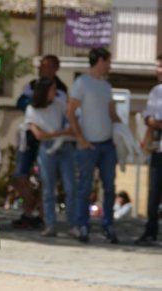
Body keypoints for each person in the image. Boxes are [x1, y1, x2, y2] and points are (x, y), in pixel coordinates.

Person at [68, 47, 121, 243]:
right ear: (100, 60)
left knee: (110, 187)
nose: (110, 65)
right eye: (108, 61)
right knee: (84, 187)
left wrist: (125, 135)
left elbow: (112, 113)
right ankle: (82, 225)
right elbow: (71, 112)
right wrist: (80, 138)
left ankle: (108, 226)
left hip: (107, 145)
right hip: (87, 146)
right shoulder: (82, 83)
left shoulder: (106, 86)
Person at [12, 54, 68, 229]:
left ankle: (42, 215)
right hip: (30, 136)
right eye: (41, 66)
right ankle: (29, 210)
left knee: (46, 178)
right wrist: (38, 99)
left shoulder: (62, 90)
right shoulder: (32, 85)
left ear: (55, 68)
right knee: (20, 176)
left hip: (51, 138)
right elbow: (20, 103)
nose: (42, 69)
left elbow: (61, 110)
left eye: (47, 66)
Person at [25, 78, 77, 237]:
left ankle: (73, 224)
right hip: (47, 151)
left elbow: (71, 123)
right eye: (53, 89)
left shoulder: (60, 106)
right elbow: (39, 135)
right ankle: (50, 225)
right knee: (48, 189)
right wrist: (61, 133)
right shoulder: (31, 110)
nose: (56, 93)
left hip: (65, 148)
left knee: (70, 187)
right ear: (44, 91)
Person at [135, 53, 162, 245]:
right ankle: (150, 231)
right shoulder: (155, 91)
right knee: (153, 192)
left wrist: (155, 121)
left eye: (160, 66)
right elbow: (148, 118)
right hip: (158, 149)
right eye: (157, 66)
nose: (157, 70)